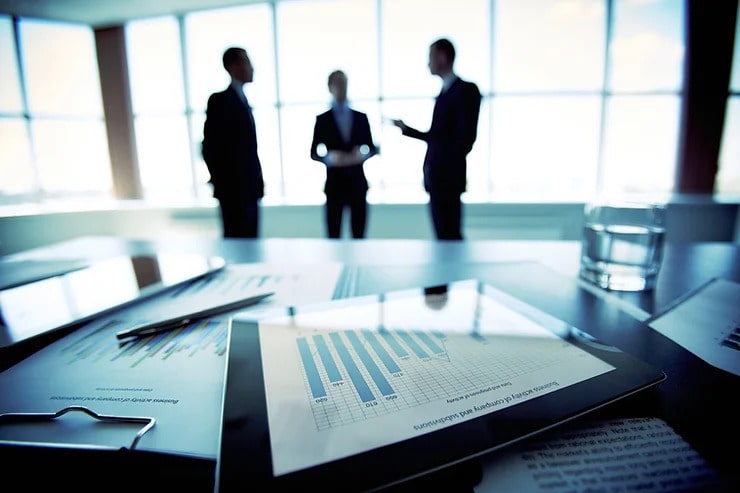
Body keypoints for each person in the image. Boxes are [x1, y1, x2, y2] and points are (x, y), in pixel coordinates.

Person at [392, 38, 481, 240]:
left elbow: (465, 139)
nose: (428, 63)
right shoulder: (444, 93)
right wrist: (406, 129)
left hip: (448, 176)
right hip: (436, 176)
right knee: (443, 236)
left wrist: (446, 165)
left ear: (442, 57)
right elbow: (438, 136)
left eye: (431, 57)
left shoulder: (465, 90)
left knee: (450, 236)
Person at [201, 46, 264, 238]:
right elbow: (210, 147)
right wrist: (223, 183)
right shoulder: (220, 101)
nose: (252, 67)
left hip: (250, 190)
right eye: (246, 61)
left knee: (252, 243)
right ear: (233, 66)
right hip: (233, 193)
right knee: (237, 243)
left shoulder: (243, 101)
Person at [310, 70, 378, 239]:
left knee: (359, 236)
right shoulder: (322, 119)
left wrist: (361, 155)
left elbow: (372, 148)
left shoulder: (361, 117)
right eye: (339, 83)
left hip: (357, 185)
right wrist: (330, 158)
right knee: (333, 235)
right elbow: (313, 152)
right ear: (330, 87)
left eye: (345, 82)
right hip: (335, 186)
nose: (343, 87)